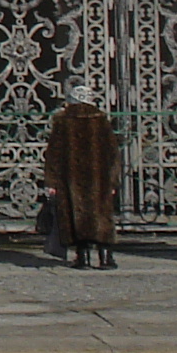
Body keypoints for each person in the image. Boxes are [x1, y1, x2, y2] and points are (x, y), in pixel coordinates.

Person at [41, 101, 118, 268]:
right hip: (100, 177)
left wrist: (52, 181)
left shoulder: (63, 120)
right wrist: (113, 180)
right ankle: (105, 257)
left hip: (71, 177)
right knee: (101, 215)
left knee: (77, 216)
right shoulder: (101, 119)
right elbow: (112, 153)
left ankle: (83, 257)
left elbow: (54, 154)